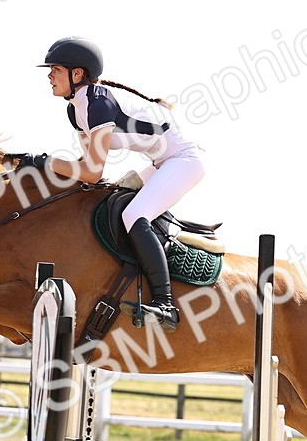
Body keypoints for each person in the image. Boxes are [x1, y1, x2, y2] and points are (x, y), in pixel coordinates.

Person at [16, 37, 204, 332]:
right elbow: (84, 166)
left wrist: (43, 161)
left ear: (77, 74)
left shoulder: (98, 103)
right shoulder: (75, 109)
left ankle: (165, 304)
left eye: (55, 69)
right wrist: (40, 173)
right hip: (159, 163)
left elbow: (91, 171)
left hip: (183, 161)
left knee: (133, 215)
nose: (49, 76)